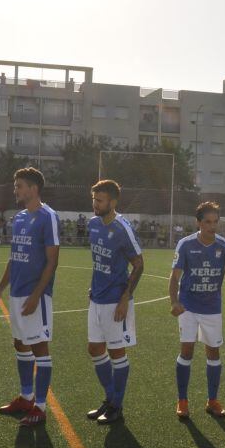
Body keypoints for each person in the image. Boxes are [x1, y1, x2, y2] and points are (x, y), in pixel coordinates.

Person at [168, 201, 225, 419]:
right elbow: (175, 277)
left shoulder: (224, 246)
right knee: (187, 350)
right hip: (188, 306)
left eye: (215, 222)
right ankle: (182, 401)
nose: (212, 226)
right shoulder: (185, 245)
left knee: (213, 352)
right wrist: (174, 302)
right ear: (198, 223)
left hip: (212, 308)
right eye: (207, 222)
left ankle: (212, 400)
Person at [0, 167, 60, 427]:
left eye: (19, 185)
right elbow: (14, 257)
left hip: (36, 296)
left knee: (39, 348)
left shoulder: (48, 216)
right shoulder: (19, 218)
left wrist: (36, 295)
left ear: (33, 188)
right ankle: (25, 396)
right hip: (17, 293)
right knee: (20, 345)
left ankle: (40, 407)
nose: (16, 190)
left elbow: (52, 261)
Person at [85, 180, 144, 425]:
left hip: (115, 301)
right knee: (95, 349)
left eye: (100, 200)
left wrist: (124, 298)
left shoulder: (122, 228)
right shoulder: (93, 224)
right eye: (94, 199)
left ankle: (117, 405)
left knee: (116, 352)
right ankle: (109, 398)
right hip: (96, 298)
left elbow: (139, 264)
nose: (95, 204)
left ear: (113, 202)